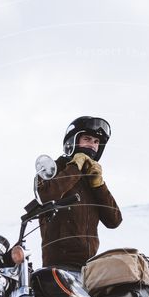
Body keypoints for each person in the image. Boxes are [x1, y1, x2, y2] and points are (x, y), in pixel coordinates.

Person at [37, 116, 122, 276]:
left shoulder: (92, 178)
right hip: (57, 267)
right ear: (73, 141)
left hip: (88, 269)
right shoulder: (53, 169)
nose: (92, 145)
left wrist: (98, 185)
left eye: (97, 142)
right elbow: (46, 196)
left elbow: (114, 220)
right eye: (87, 139)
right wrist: (74, 167)